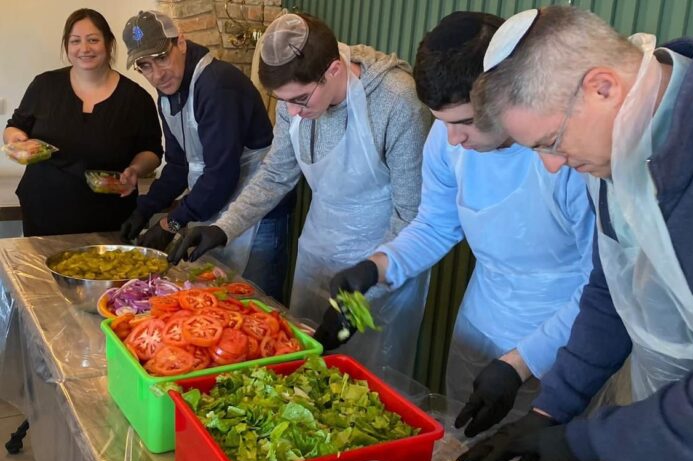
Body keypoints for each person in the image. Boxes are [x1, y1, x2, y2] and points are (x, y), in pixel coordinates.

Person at [460, 6, 693, 461]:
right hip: (663, 427)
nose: (552, 166)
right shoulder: (622, 137)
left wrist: (587, 442)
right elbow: (612, 292)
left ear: (601, 87)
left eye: (549, 144)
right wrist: (552, 407)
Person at [321, 12, 594, 420]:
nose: (454, 139)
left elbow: (601, 287)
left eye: (466, 122)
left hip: (564, 338)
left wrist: (523, 361)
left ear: (508, 94)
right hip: (480, 323)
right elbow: (434, 225)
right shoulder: (447, 139)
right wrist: (375, 268)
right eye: (442, 122)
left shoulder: (570, 158)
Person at [169, 13, 431, 375]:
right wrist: (223, 228)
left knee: (365, 388)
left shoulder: (398, 102)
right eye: (283, 102)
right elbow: (276, 173)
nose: (293, 113)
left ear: (335, 70)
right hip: (317, 252)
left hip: (381, 270)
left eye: (301, 100)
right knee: (305, 373)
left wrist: (359, 299)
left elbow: (411, 217)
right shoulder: (296, 99)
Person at [120, 10, 291, 300]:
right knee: (221, 303)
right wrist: (144, 209)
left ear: (181, 43)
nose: (157, 74)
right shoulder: (167, 94)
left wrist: (171, 222)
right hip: (215, 208)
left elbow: (222, 173)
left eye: (162, 57)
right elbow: (177, 165)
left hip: (258, 217)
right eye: (145, 66)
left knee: (256, 305)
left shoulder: (215, 84)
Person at [3, 8, 162, 236]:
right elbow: (14, 127)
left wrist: (135, 170)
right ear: (67, 46)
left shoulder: (135, 98)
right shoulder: (44, 86)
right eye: (75, 41)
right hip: (43, 211)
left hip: (109, 216)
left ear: (108, 44)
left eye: (93, 40)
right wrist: (18, 141)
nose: (84, 49)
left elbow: (152, 151)